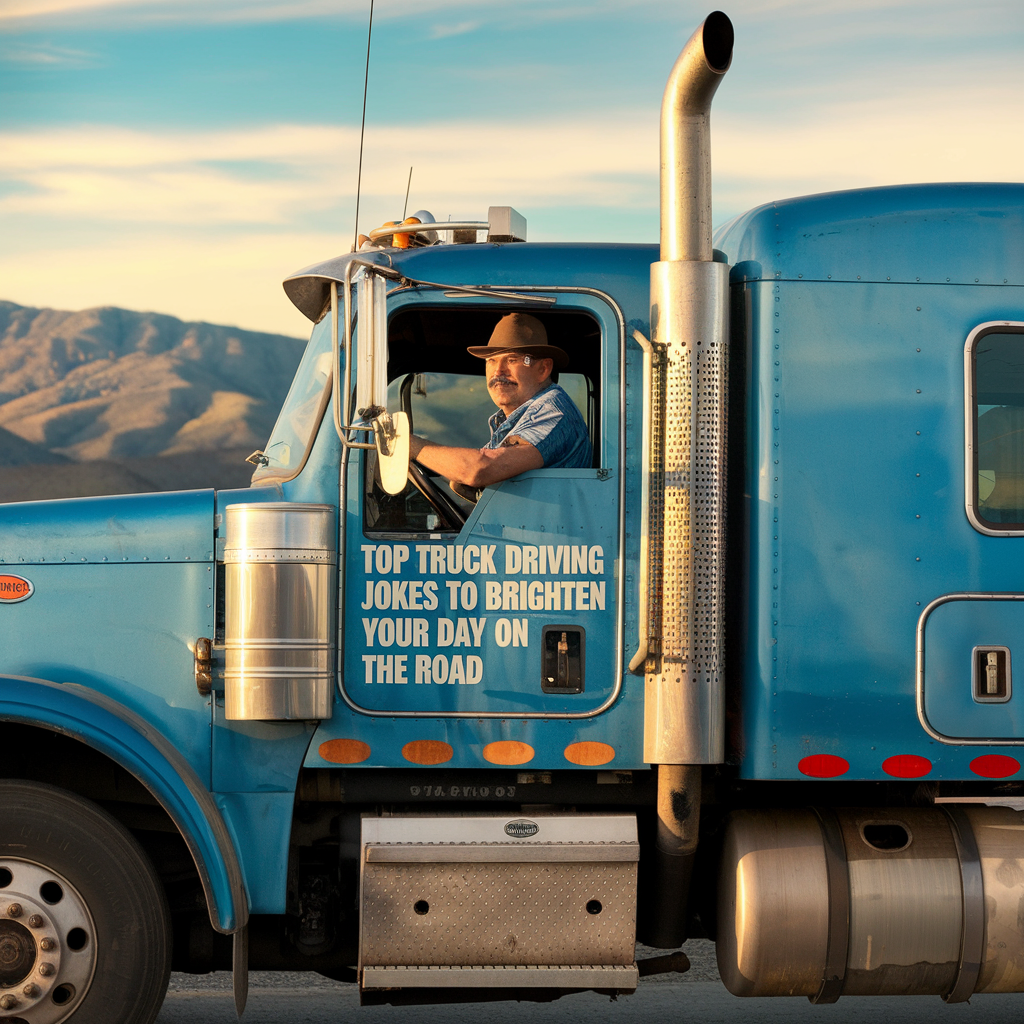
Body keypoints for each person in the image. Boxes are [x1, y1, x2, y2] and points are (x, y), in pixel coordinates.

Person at [408, 313, 592, 491]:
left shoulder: (553, 412)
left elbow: (479, 470)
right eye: (491, 361)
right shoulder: (518, 418)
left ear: (543, 369)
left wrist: (408, 446)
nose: (498, 372)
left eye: (512, 359)